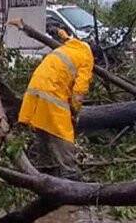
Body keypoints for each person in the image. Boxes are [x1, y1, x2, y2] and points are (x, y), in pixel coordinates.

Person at [17, 30, 94, 178]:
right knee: (64, 139)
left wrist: (59, 31)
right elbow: (79, 92)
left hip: (34, 93)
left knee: (44, 134)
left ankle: (46, 175)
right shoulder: (87, 57)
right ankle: (70, 179)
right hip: (52, 96)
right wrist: (75, 112)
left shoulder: (70, 46)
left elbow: (64, 35)